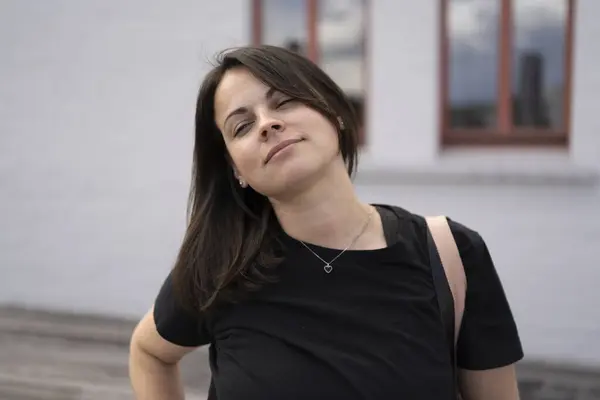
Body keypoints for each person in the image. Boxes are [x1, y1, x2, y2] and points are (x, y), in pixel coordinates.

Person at [128, 45, 523, 400]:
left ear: (333, 114)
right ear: (236, 170)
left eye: (283, 102)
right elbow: (149, 352)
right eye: (242, 126)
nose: (267, 123)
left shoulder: (451, 254)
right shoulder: (222, 265)